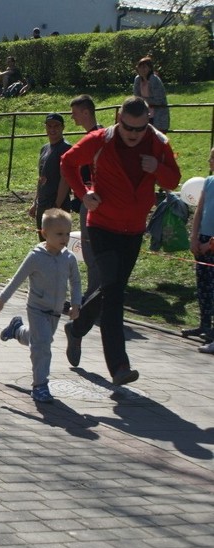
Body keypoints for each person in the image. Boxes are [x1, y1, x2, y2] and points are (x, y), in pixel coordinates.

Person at [60, 96, 181, 385]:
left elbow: (173, 180)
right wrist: (83, 193)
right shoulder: (101, 140)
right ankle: (119, 366)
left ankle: (75, 330)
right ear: (119, 119)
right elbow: (68, 162)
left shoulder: (158, 143)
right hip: (102, 227)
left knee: (110, 289)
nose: (133, 134)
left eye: (140, 129)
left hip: (134, 230)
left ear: (148, 122)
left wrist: (157, 169)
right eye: (128, 127)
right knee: (114, 295)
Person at [0, 209, 82, 403]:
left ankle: (17, 330)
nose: (64, 238)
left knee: (38, 339)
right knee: (42, 346)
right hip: (36, 308)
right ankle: (40, 386)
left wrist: (76, 304)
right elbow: (17, 279)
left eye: (67, 234)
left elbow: (76, 282)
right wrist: (2, 300)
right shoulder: (36, 257)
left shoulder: (69, 258)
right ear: (44, 233)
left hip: (56, 311)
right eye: (59, 234)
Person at [68, 94, 104, 303]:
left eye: (75, 114)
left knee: (92, 251)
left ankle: (94, 296)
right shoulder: (94, 136)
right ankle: (94, 292)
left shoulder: (97, 137)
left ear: (85, 112)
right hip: (86, 198)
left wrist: (85, 192)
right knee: (90, 250)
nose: (73, 118)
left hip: (93, 201)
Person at [187, 148, 214, 352]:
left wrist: (210, 244)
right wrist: (194, 237)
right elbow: (200, 209)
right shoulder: (209, 181)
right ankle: (204, 323)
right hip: (203, 238)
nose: (209, 160)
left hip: (212, 242)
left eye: (212, 157)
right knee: (203, 283)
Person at [30, 113, 72, 232]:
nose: (52, 129)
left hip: (57, 203)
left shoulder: (66, 148)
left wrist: (57, 205)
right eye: (49, 126)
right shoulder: (45, 148)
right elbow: (41, 178)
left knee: (57, 243)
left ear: (63, 127)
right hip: (43, 202)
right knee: (44, 241)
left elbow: (65, 180)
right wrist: (35, 202)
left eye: (56, 126)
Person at [133, 57, 170, 132]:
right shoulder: (138, 79)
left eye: (144, 67)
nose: (142, 69)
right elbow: (136, 96)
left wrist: (142, 100)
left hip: (157, 116)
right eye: (140, 67)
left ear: (149, 68)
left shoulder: (154, 79)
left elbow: (159, 100)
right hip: (144, 115)